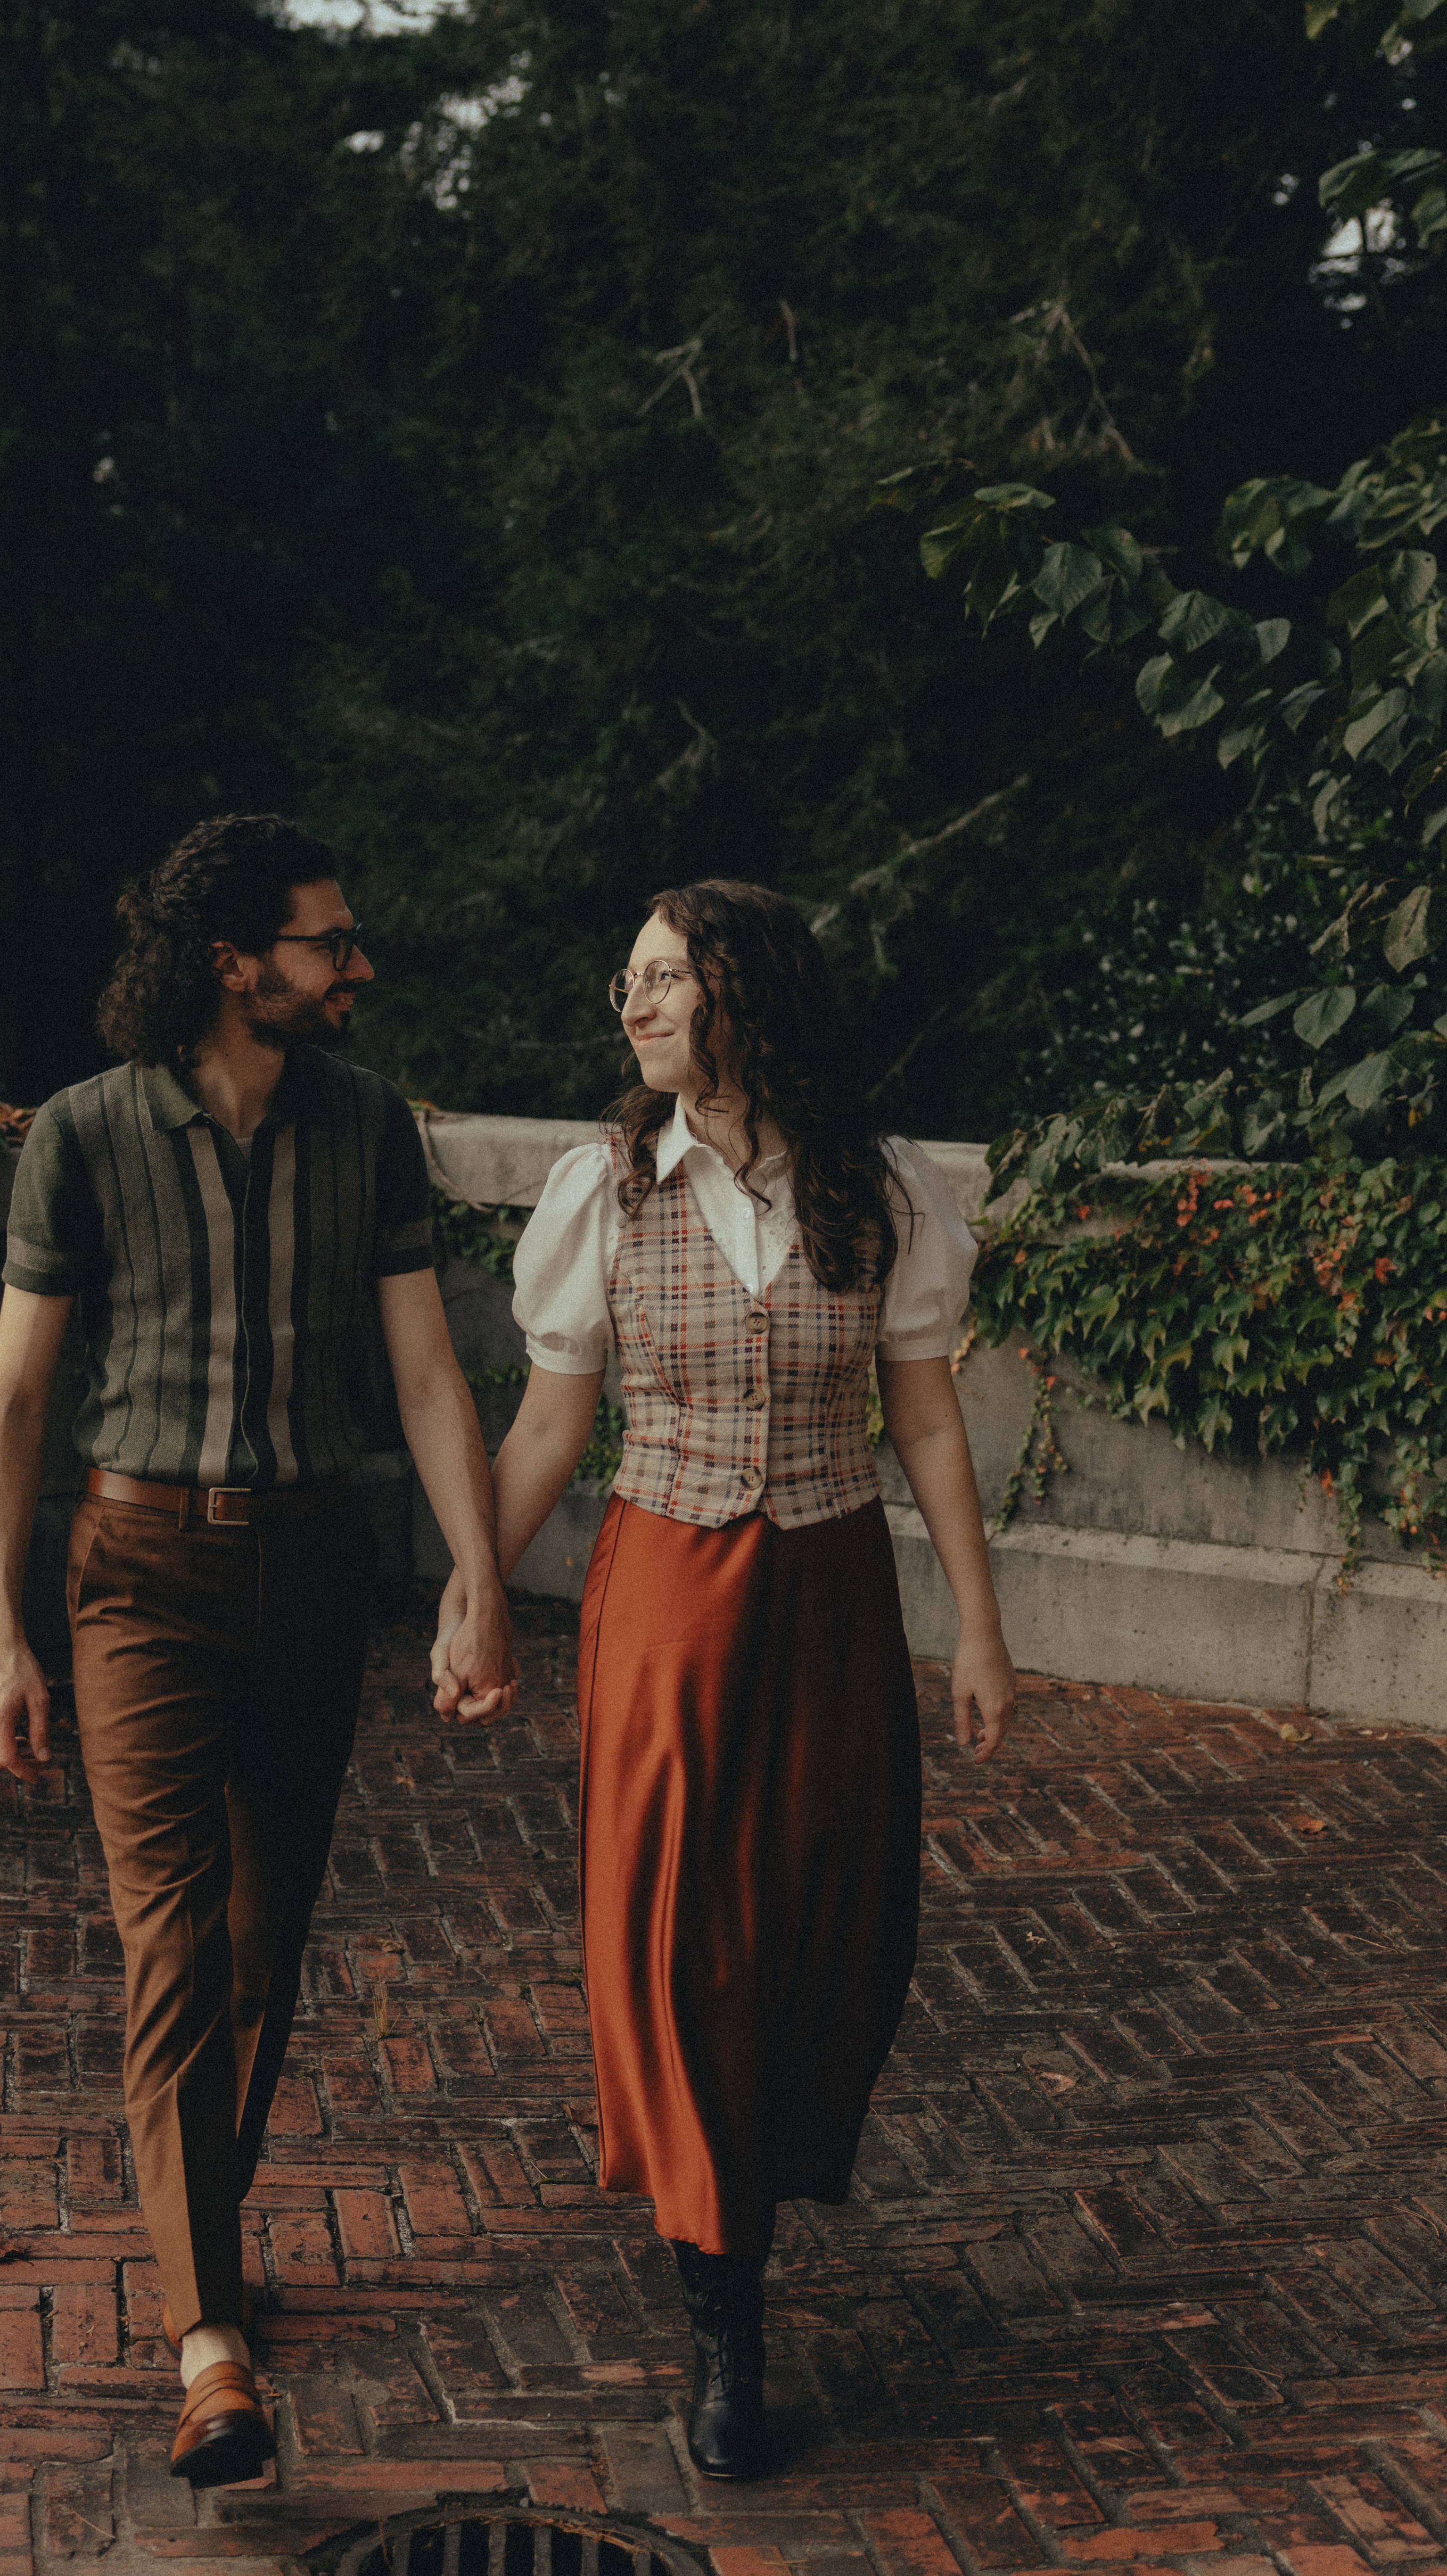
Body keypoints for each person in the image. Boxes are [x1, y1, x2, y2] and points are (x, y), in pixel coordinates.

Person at [443, 877, 1016, 2483]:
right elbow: (553, 1426)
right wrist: (477, 1593)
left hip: (830, 1588)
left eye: (663, 978)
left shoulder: (879, 1184)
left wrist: (976, 1624)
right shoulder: (606, 1187)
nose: (631, 1006)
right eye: (626, 981)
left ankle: (756, 2200)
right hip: (668, 1593)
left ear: (744, 991)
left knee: (837, 1910)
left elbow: (922, 1418)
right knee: (682, 1932)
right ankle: (724, 2314)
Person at [0, 816, 516, 2490]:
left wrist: (478, 1575)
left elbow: (427, 1374)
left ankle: (198, 2219)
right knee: (168, 1941)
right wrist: (1, 1630)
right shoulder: (81, 1135)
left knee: (265, 1932)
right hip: (134, 1569)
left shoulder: (366, 1130)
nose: (357, 966)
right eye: (328, 942)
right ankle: (210, 2343)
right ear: (233, 964)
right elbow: (17, 1399)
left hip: (313, 1564)